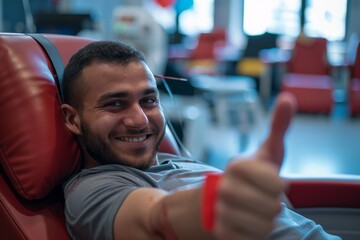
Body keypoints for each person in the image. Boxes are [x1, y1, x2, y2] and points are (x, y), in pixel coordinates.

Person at [61, 40, 340, 240]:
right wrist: (218, 206)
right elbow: (155, 217)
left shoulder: (178, 162)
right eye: (115, 104)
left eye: (148, 100)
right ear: (73, 120)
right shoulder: (91, 191)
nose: (141, 120)